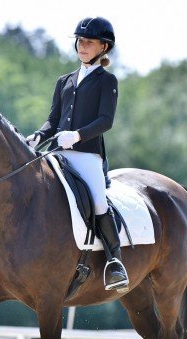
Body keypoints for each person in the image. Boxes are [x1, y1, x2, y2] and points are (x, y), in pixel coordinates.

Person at [26, 17, 129, 292]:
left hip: (86, 154)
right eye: (80, 41)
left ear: (103, 47)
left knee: (97, 202)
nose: (82, 46)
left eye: (89, 42)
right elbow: (53, 119)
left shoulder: (107, 81)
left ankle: (114, 262)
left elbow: (106, 120)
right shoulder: (65, 81)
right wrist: (38, 136)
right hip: (57, 152)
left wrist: (78, 135)